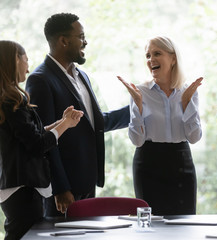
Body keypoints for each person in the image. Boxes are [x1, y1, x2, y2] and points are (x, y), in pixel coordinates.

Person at [25, 13, 130, 217]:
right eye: (81, 36)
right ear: (63, 41)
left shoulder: (82, 76)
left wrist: (136, 109)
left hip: (87, 183)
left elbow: (94, 123)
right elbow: (44, 139)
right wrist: (60, 187)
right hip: (64, 192)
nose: (85, 42)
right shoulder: (40, 80)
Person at [0, 40, 83, 240]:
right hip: (23, 188)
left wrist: (60, 122)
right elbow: (37, 145)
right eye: (25, 59)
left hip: (16, 187)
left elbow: (29, 135)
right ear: (14, 61)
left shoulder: (8, 99)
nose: (28, 66)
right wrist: (65, 125)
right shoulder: (12, 101)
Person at [118, 36, 203, 215]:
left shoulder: (188, 92)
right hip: (148, 161)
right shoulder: (140, 92)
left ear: (173, 59)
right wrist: (138, 106)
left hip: (181, 162)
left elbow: (194, 138)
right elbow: (137, 140)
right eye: (148, 56)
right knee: (151, 225)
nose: (151, 60)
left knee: (184, 223)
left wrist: (187, 102)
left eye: (157, 53)